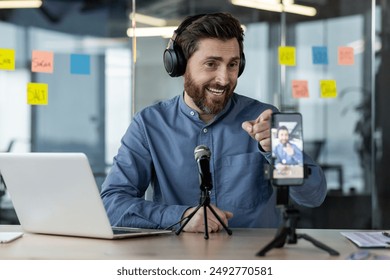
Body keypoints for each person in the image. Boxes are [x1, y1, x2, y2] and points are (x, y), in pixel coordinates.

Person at [100, 12, 327, 233]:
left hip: (255, 261)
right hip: (179, 261)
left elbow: (314, 197)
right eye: (211, 64)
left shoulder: (265, 117)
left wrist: (279, 151)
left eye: (232, 65)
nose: (224, 79)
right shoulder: (149, 124)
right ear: (180, 65)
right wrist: (180, 217)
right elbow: (112, 205)